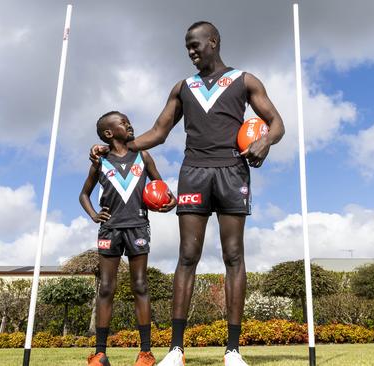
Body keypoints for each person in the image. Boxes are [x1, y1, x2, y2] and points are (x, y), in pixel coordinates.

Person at [91, 21, 285, 366]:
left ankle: (233, 350)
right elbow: (158, 132)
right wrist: (115, 147)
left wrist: (264, 141)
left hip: (232, 171)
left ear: (214, 42)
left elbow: (276, 123)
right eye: (187, 48)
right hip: (194, 173)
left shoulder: (245, 80)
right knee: (187, 256)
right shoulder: (183, 87)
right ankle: (176, 349)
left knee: (234, 256)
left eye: (196, 45)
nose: (191, 52)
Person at [81, 111, 177, 366]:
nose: (129, 124)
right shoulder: (99, 161)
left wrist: (170, 200)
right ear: (109, 133)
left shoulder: (143, 155)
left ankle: (145, 353)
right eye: (122, 122)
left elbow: (161, 186)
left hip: (138, 227)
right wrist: (94, 215)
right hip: (110, 229)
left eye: (128, 120)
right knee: (106, 288)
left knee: (140, 286)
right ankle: (100, 353)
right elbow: (84, 195)